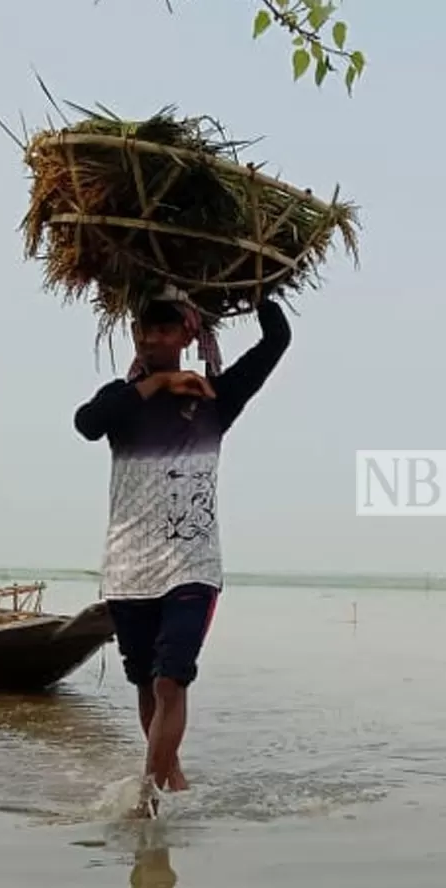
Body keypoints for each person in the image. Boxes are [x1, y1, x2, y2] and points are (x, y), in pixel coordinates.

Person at [73, 289, 291, 817]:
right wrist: (161, 381)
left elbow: (277, 339)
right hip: (130, 566)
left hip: (192, 564)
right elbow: (87, 423)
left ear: (189, 334)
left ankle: (145, 794)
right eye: (145, 329)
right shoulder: (123, 402)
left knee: (172, 676)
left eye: (167, 329)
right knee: (147, 683)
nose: (152, 338)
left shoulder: (218, 397)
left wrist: (257, 288)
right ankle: (171, 775)